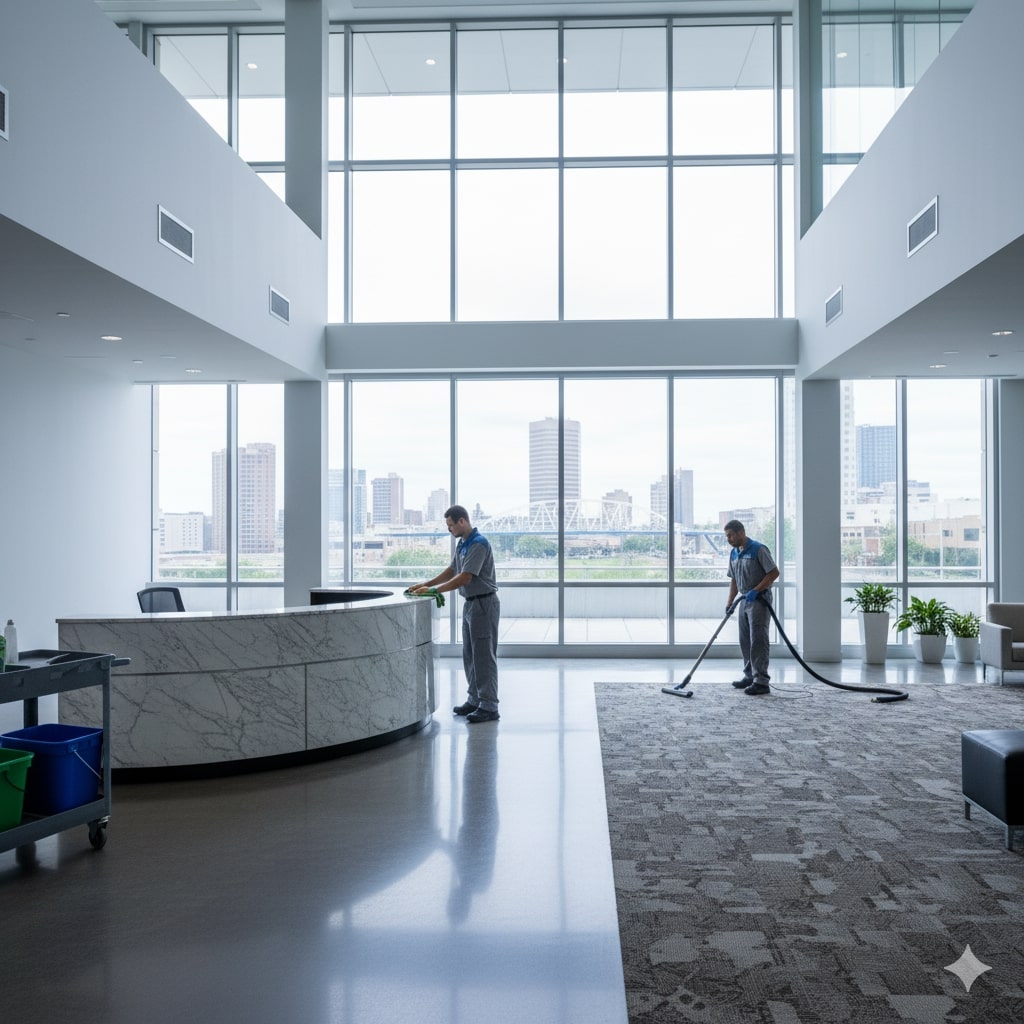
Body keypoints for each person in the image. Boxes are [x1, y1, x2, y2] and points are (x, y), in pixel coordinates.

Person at [409, 505, 500, 723]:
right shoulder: (462, 544)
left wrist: (433, 591)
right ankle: (475, 700)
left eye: (451, 525)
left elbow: (465, 577)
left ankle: (489, 706)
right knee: (470, 655)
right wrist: (426, 583)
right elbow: (452, 570)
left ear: (462, 521)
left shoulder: (479, 544)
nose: (449, 529)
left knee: (483, 656)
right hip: (470, 605)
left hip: (483, 604)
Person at [724, 519, 780, 696]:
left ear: (741, 532)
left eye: (731, 535)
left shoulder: (758, 549)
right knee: (745, 640)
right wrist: (730, 601)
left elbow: (774, 573)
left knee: (758, 640)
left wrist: (756, 590)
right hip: (743, 600)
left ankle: (761, 681)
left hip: (759, 600)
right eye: (727, 536)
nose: (729, 539)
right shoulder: (734, 553)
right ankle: (749, 676)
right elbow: (733, 579)